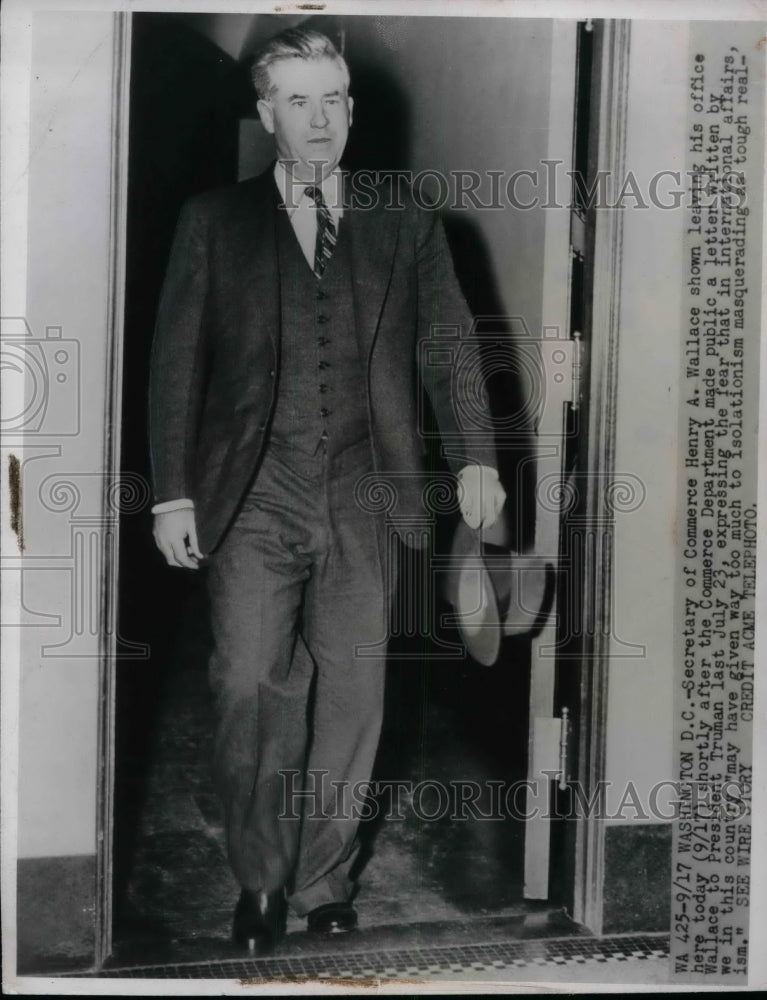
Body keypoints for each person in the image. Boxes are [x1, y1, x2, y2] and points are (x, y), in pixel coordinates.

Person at [148, 25, 505, 953]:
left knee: (353, 692)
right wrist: (173, 492)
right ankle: (260, 879)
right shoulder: (211, 221)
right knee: (249, 685)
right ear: (267, 115)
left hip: (365, 488)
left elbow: (450, 344)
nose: (319, 119)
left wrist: (474, 454)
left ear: (351, 108)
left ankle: (322, 878)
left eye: (333, 99)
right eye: (297, 101)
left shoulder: (404, 219)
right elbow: (175, 366)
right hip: (252, 493)